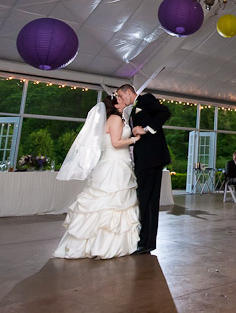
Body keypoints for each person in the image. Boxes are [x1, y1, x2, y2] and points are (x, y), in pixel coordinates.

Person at [54, 95, 141, 259]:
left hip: (118, 163)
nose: (124, 100)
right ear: (116, 103)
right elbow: (115, 143)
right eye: (121, 98)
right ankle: (103, 246)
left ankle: (104, 244)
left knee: (112, 203)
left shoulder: (117, 118)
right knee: (112, 203)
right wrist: (135, 139)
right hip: (114, 165)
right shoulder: (115, 119)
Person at [116, 84, 172, 254]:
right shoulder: (132, 111)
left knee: (148, 200)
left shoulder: (146, 99)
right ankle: (145, 240)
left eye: (120, 95)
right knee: (145, 199)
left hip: (152, 159)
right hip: (144, 160)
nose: (120, 99)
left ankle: (146, 243)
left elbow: (165, 112)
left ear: (128, 92)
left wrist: (146, 129)